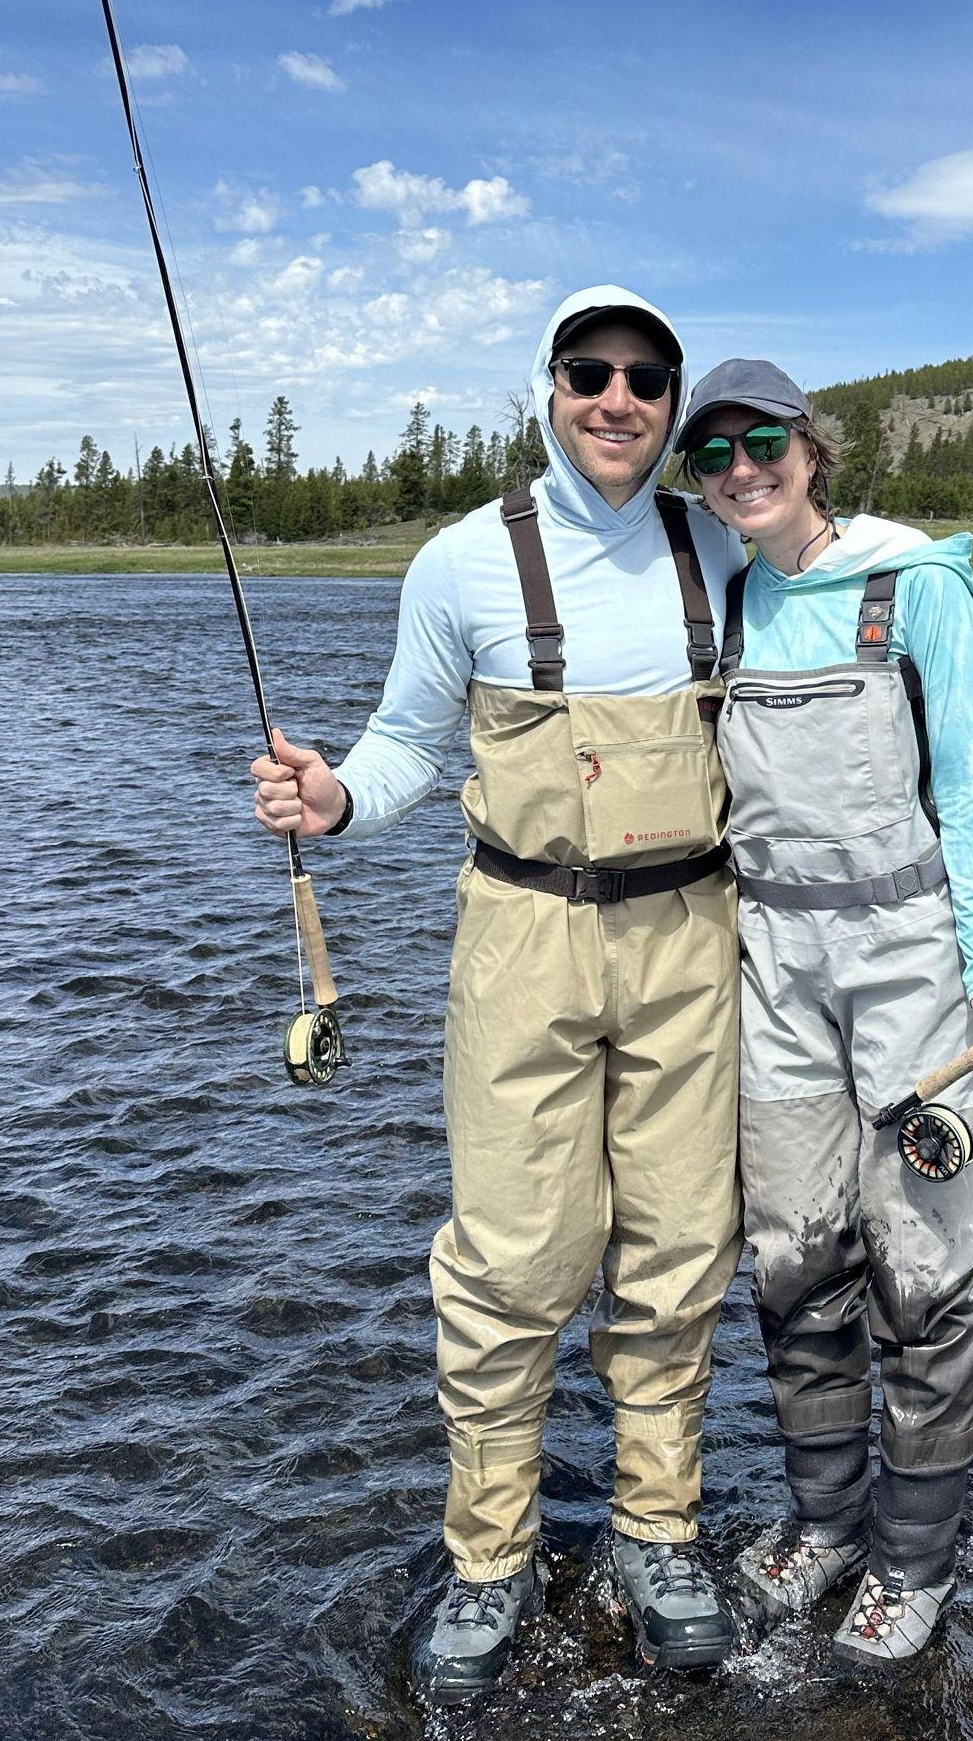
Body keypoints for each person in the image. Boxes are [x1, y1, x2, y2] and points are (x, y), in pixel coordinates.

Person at [250, 289, 747, 1705]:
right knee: (516, 1261)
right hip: (522, 939)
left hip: (694, 942)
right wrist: (333, 798)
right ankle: (492, 1556)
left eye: (647, 379)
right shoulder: (462, 564)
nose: (618, 399)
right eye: (591, 372)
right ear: (548, 386)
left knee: (676, 1255)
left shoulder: (722, 546)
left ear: (669, 403)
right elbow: (406, 745)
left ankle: (656, 1535)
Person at [673, 358, 973, 1668]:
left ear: (810, 449)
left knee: (924, 1273)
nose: (741, 469)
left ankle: (913, 1563)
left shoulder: (916, 585)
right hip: (770, 959)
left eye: (762, 441)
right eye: (712, 456)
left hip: (913, 958)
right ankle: (828, 1523)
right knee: (792, 1259)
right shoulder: (721, 598)